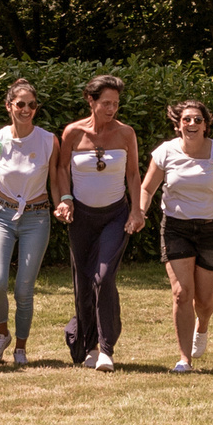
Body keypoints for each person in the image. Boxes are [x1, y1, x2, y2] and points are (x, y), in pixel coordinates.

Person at [138, 100, 213, 373]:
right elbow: (146, 189)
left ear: (206, 125)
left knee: (203, 301)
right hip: (177, 228)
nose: (192, 124)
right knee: (181, 293)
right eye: (186, 119)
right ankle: (184, 359)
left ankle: (202, 325)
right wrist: (140, 213)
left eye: (197, 120)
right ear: (177, 124)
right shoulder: (165, 152)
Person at [55, 74, 142, 371]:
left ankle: (106, 349)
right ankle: (87, 343)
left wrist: (137, 211)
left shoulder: (125, 133)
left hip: (115, 216)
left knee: (103, 278)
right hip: (81, 218)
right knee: (83, 284)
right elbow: (61, 169)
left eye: (115, 103)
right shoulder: (73, 132)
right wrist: (65, 199)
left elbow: (133, 174)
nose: (111, 109)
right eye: (106, 103)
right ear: (90, 100)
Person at [0, 79, 57, 366]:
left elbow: (56, 179)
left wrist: (64, 200)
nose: (26, 109)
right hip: (2, 214)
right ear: (9, 106)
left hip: (36, 217)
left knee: (24, 289)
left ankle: (21, 348)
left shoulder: (48, 140)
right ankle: (2, 334)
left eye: (32, 105)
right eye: (21, 104)